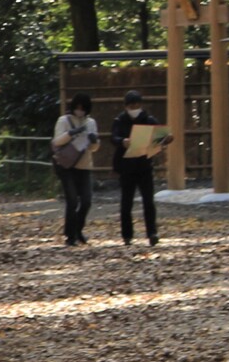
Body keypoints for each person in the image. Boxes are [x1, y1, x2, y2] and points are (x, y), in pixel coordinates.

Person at [111, 90, 173, 247]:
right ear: (126, 106)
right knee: (126, 202)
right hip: (126, 166)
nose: (135, 108)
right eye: (132, 105)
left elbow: (160, 137)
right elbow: (113, 137)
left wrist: (166, 139)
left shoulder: (149, 119)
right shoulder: (120, 120)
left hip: (144, 165)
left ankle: (152, 232)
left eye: (137, 105)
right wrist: (122, 141)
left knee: (148, 201)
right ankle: (127, 235)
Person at [52, 92, 100, 247]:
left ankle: (78, 229)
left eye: (83, 108)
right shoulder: (63, 120)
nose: (80, 110)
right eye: (77, 107)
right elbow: (57, 141)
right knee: (72, 200)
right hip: (66, 166)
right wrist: (71, 134)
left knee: (86, 201)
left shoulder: (91, 122)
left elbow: (94, 147)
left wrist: (94, 141)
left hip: (84, 165)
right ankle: (70, 235)